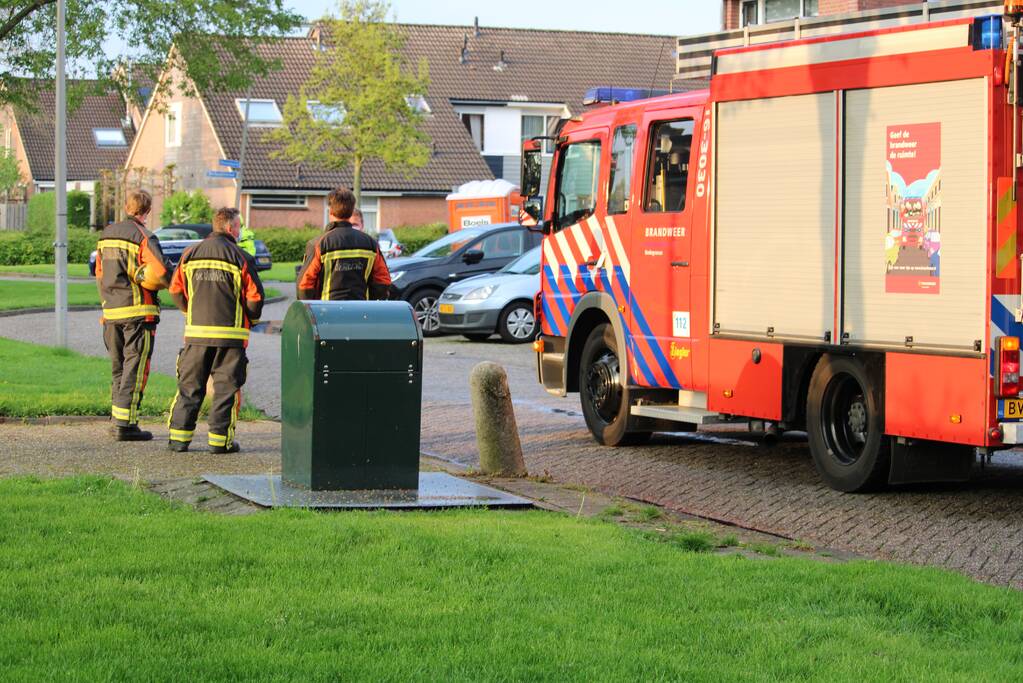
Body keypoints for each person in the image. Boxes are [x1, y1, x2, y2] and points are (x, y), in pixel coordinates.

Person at [166, 207, 264, 453]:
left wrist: (190, 312)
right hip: (231, 337)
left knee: (189, 387)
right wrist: (250, 318)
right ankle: (220, 443)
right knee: (225, 390)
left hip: (196, 335)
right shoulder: (240, 256)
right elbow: (254, 298)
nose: (240, 231)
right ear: (231, 228)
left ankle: (179, 440)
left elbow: (175, 290)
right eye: (239, 227)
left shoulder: (190, 254)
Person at [95, 189, 169, 441]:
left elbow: (99, 273)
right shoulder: (144, 237)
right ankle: (125, 426)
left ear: (127, 208)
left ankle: (117, 419)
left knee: (118, 367)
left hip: (111, 312)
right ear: (147, 212)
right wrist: (141, 275)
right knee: (134, 368)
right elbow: (160, 272)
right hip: (139, 313)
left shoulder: (105, 236)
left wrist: (105, 307)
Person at [297, 187, 391, 300]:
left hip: (326, 312)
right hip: (361, 311)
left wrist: (310, 310)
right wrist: (371, 301)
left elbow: (304, 284)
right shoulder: (371, 244)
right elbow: (383, 279)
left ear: (330, 211)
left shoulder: (319, 244)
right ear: (351, 211)